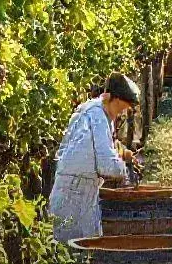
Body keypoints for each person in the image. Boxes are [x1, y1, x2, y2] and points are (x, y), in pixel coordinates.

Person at [49, 72, 140, 242]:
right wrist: (125, 170)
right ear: (115, 99)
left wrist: (121, 152)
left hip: (77, 189)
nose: (122, 112)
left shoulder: (94, 110)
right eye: (122, 107)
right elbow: (106, 166)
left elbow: (95, 148)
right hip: (74, 195)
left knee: (79, 250)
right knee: (77, 252)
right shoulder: (97, 116)